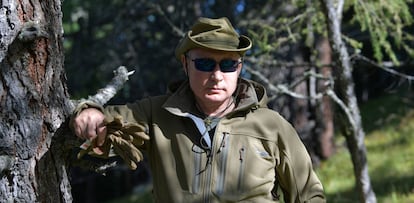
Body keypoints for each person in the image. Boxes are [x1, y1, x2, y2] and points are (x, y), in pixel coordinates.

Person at [71, 17, 325, 203]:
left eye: (227, 64)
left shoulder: (271, 125)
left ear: (239, 68)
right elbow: (107, 121)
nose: (216, 76)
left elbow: (309, 194)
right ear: (186, 64)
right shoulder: (156, 114)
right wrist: (89, 111)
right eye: (204, 63)